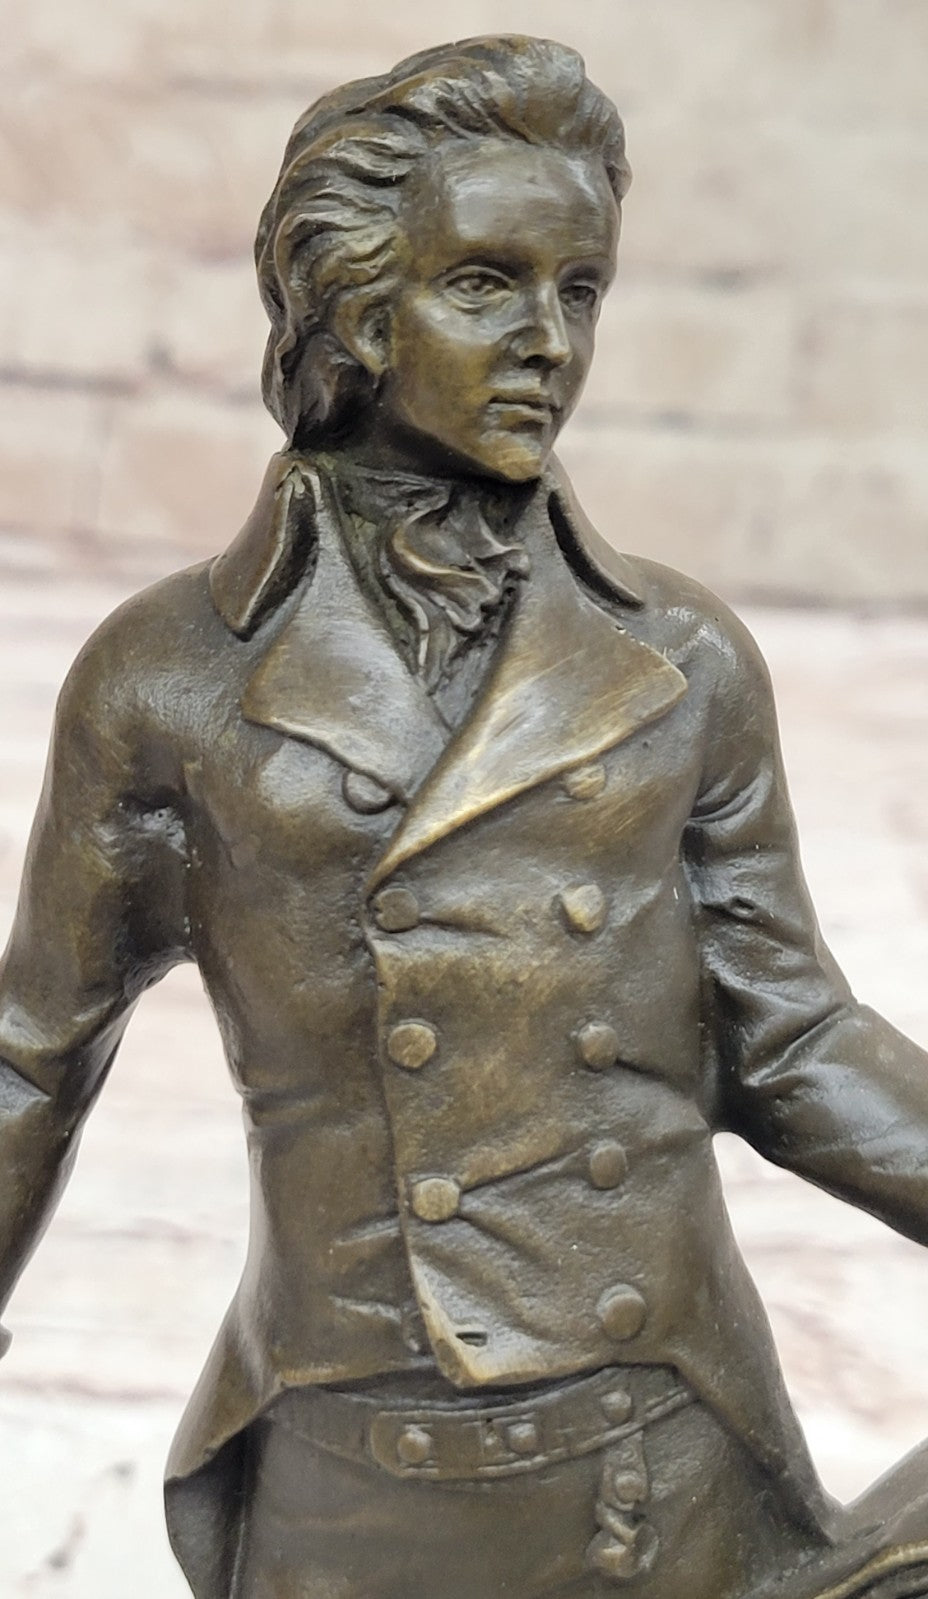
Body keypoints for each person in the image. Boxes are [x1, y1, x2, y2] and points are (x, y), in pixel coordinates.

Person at [1, 34, 928, 1599]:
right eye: (487, 284)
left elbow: (790, 1039)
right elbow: (31, 1057)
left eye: (581, 291)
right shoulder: (170, 680)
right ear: (357, 312)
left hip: (661, 1448)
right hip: (351, 1472)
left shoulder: (681, 658)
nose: (549, 341)